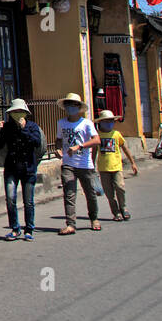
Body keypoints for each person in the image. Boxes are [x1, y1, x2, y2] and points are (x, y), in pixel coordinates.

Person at [0, 98, 44, 241]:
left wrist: (23, 130)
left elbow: (36, 142)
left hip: (28, 168)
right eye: (15, 112)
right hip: (11, 167)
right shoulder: (7, 127)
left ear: (25, 113)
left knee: (28, 201)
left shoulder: (32, 127)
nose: (17, 114)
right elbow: (0, 144)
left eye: (20, 112)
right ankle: (15, 228)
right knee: (10, 199)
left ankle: (29, 229)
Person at [53, 92, 101, 235]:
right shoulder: (61, 123)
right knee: (69, 193)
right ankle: (70, 224)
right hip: (68, 163)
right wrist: (58, 149)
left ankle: (94, 218)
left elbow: (97, 140)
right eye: (68, 105)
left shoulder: (86, 123)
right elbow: (59, 140)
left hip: (85, 164)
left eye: (73, 105)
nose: (70, 108)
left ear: (79, 107)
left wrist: (80, 146)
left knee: (90, 194)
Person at [94, 110, 137, 221]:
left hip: (116, 167)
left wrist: (132, 163)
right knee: (109, 193)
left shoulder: (116, 134)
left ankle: (123, 207)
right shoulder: (97, 135)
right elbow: (94, 152)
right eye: (106, 121)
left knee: (120, 187)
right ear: (100, 123)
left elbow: (125, 148)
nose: (109, 123)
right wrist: (91, 168)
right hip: (103, 168)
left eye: (111, 121)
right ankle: (116, 212)